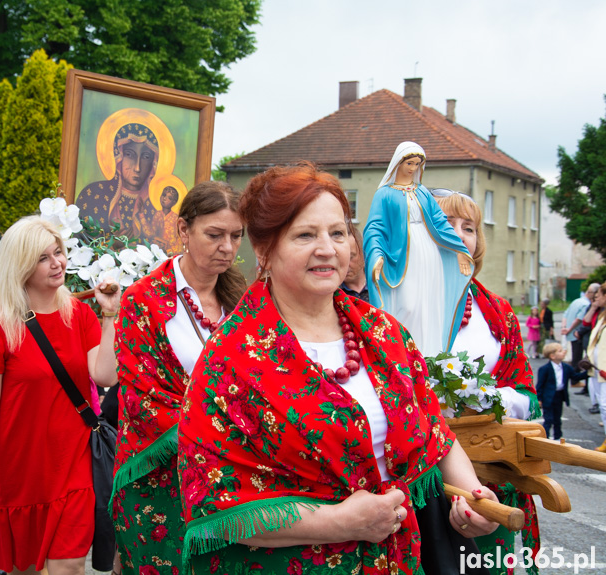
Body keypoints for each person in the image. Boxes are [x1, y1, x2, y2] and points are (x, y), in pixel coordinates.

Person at [178, 165, 497, 574]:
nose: (327, 248)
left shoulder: (383, 333)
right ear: (264, 251)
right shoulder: (229, 359)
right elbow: (214, 499)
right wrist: (339, 523)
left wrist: (472, 497)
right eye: (305, 235)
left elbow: (434, 427)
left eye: (339, 233)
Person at [0, 217, 120, 575]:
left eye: (59, 252)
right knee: (27, 569)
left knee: (67, 566)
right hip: (20, 470)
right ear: (20, 264)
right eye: (43, 257)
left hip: (75, 461)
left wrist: (109, 314)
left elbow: (105, 375)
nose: (58, 262)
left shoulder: (79, 314)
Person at [109, 181, 247, 574]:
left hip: (231, 476)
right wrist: (226, 434)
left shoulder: (245, 300)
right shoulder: (144, 299)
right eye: (215, 235)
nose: (228, 247)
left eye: (236, 236)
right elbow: (141, 399)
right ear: (184, 230)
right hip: (160, 476)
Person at [433, 188, 542, 575]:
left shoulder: (497, 310)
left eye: (470, 228)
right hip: (416, 475)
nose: (461, 235)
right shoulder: (388, 302)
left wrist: (489, 396)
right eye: (447, 224)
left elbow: (529, 395)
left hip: (486, 469)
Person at [363, 142, 473, 357]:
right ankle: (405, 356)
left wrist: (459, 250)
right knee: (408, 304)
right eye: (409, 163)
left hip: (429, 253)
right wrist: (376, 255)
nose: (413, 168)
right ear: (398, 163)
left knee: (429, 303)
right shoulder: (384, 194)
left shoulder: (422, 192)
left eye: (417, 164)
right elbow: (375, 227)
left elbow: (440, 223)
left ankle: (429, 357)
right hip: (402, 256)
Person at [76, 122, 160, 242]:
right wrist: (111, 245)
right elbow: (81, 242)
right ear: (118, 156)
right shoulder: (93, 195)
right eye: (129, 154)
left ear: (154, 163)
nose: (137, 167)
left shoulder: (152, 209)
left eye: (146, 157)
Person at [537, 343, 587, 440]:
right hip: (548, 398)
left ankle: (557, 438)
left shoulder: (566, 367)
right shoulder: (544, 369)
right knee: (548, 419)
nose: (564, 352)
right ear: (552, 356)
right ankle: (544, 438)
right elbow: (540, 385)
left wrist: (588, 373)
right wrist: (539, 399)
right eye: (560, 351)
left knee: (557, 419)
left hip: (559, 396)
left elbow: (575, 377)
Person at [562, 283, 599, 395]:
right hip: (580, 336)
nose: (588, 294)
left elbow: (567, 314)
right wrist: (572, 330)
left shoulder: (577, 301)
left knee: (579, 359)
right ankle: (582, 384)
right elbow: (583, 320)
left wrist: (566, 328)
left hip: (578, 335)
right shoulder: (587, 304)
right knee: (583, 361)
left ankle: (582, 384)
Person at [584, 285, 606, 452]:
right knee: (602, 404)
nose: (595, 298)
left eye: (598, 295)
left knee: (605, 405)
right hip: (597, 368)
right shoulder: (601, 315)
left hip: (603, 369)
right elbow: (585, 322)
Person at [341, 222, 369, 302]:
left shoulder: (379, 288)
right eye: (340, 258)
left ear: (363, 254)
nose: (345, 265)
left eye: (350, 257)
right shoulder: (332, 295)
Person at [150, 185, 181, 253]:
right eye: (164, 195)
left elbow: (178, 240)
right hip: (157, 250)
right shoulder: (157, 215)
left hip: (170, 252)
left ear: (174, 202)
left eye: (169, 198)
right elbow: (152, 233)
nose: (164, 198)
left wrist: (169, 250)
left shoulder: (175, 218)